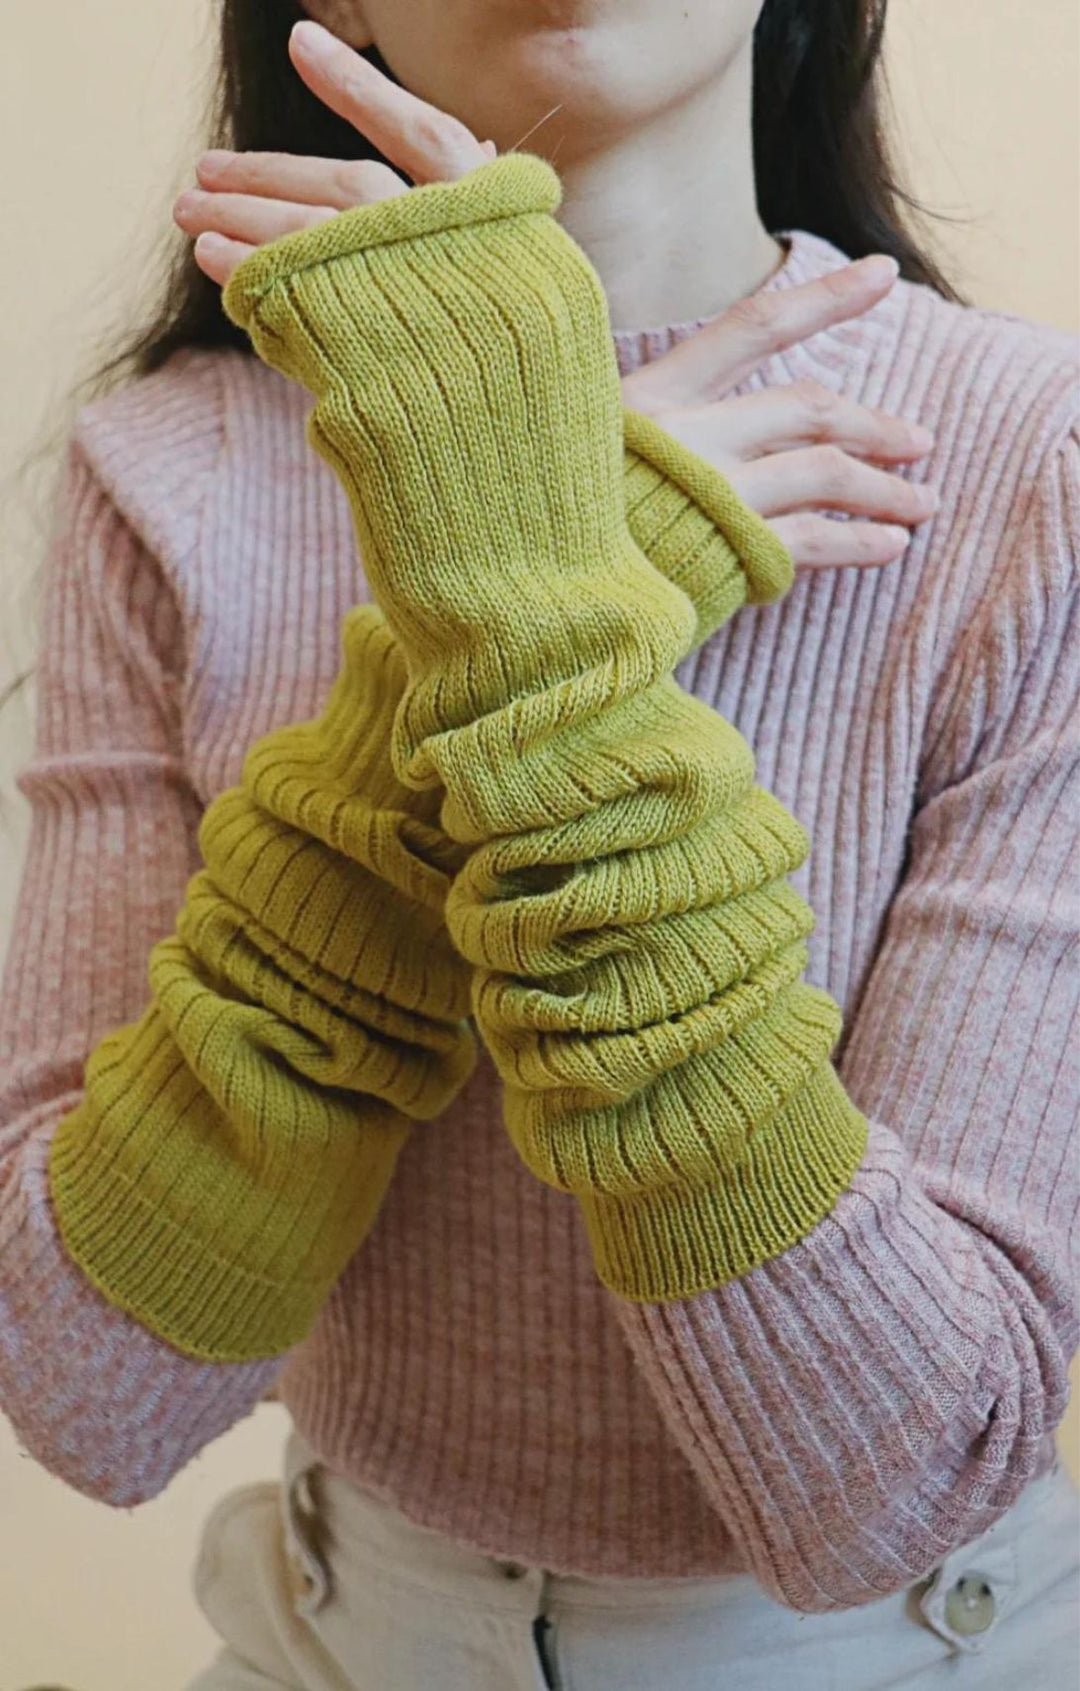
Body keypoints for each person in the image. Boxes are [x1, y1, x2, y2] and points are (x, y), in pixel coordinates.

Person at [1, 4, 1077, 1687]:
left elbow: (895, 1481)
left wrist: (530, 593)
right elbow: (89, 1385)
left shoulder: (1038, 468)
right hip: (336, 1641)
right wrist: (537, 590)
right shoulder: (168, 476)